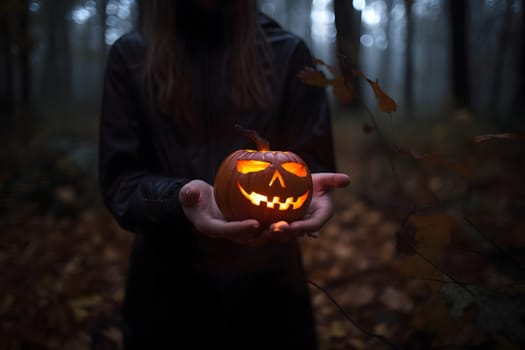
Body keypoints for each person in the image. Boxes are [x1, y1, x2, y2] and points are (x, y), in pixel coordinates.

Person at [98, 1, 350, 349]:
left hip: (270, 291)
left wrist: (313, 191)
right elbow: (120, 180)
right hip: (164, 289)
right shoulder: (131, 55)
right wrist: (178, 198)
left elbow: (311, 163)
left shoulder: (287, 53)